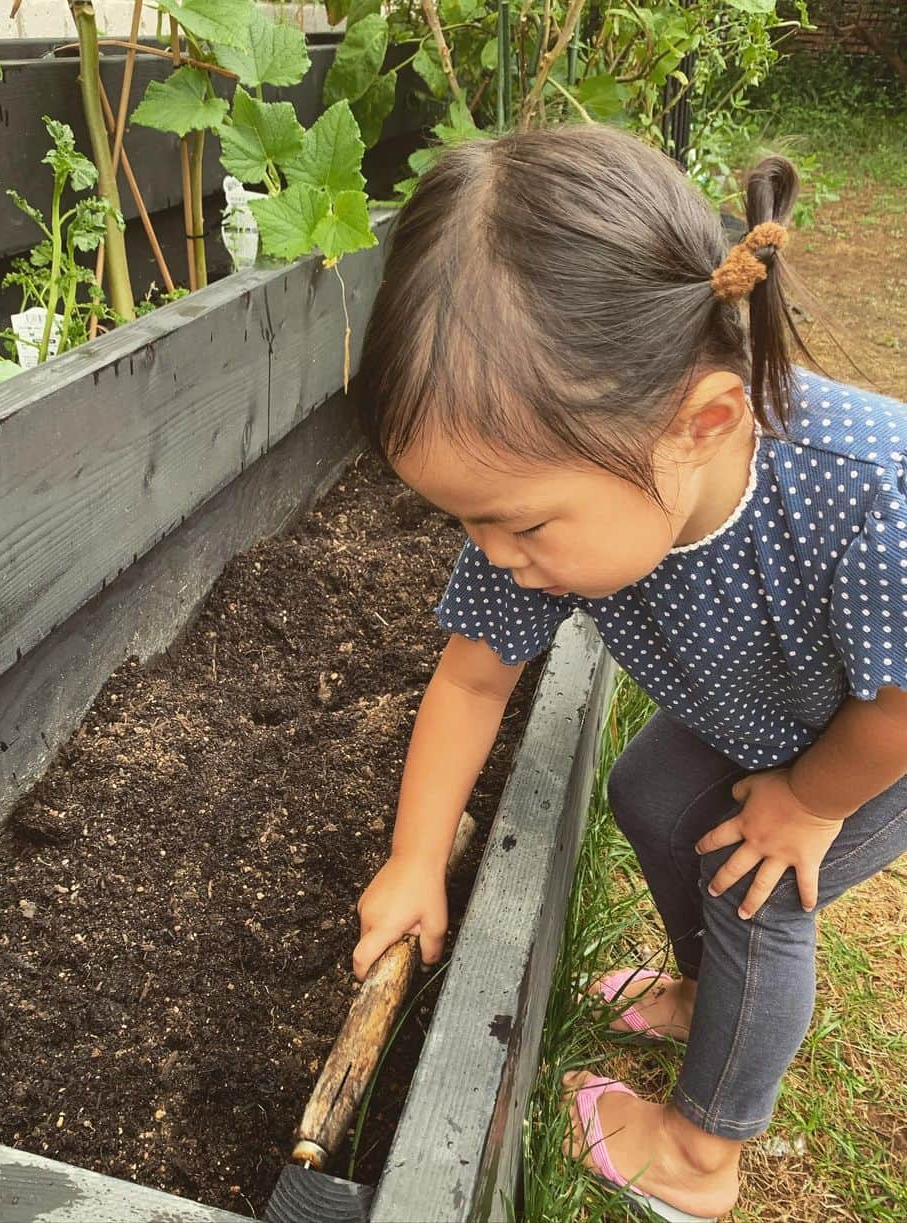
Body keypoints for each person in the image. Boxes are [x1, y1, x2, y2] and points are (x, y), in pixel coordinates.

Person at [350, 123, 907, 1222]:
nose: (493, 552)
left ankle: (702, 1153)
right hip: (764, 701)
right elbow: (470, 681)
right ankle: (706, 996)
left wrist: (805, 803)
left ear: (700, 422)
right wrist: (417, 857)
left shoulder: (869, 497)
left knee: (754, 887)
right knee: (650, 792)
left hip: (869, 741)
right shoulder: (568, 491)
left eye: (514, 522)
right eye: (467, 518)